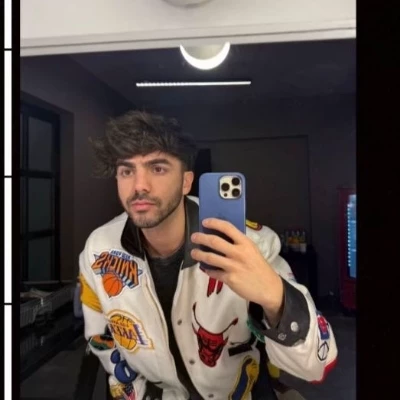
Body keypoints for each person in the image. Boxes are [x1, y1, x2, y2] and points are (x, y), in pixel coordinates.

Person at [79, 111, 338, 400]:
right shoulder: (98, 250)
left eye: (158, 168)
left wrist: (276, 298)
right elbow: (102, 339)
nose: (140, 185)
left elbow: (317, 365)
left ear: (186, 181)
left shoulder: (250, 245)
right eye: (127, 171)